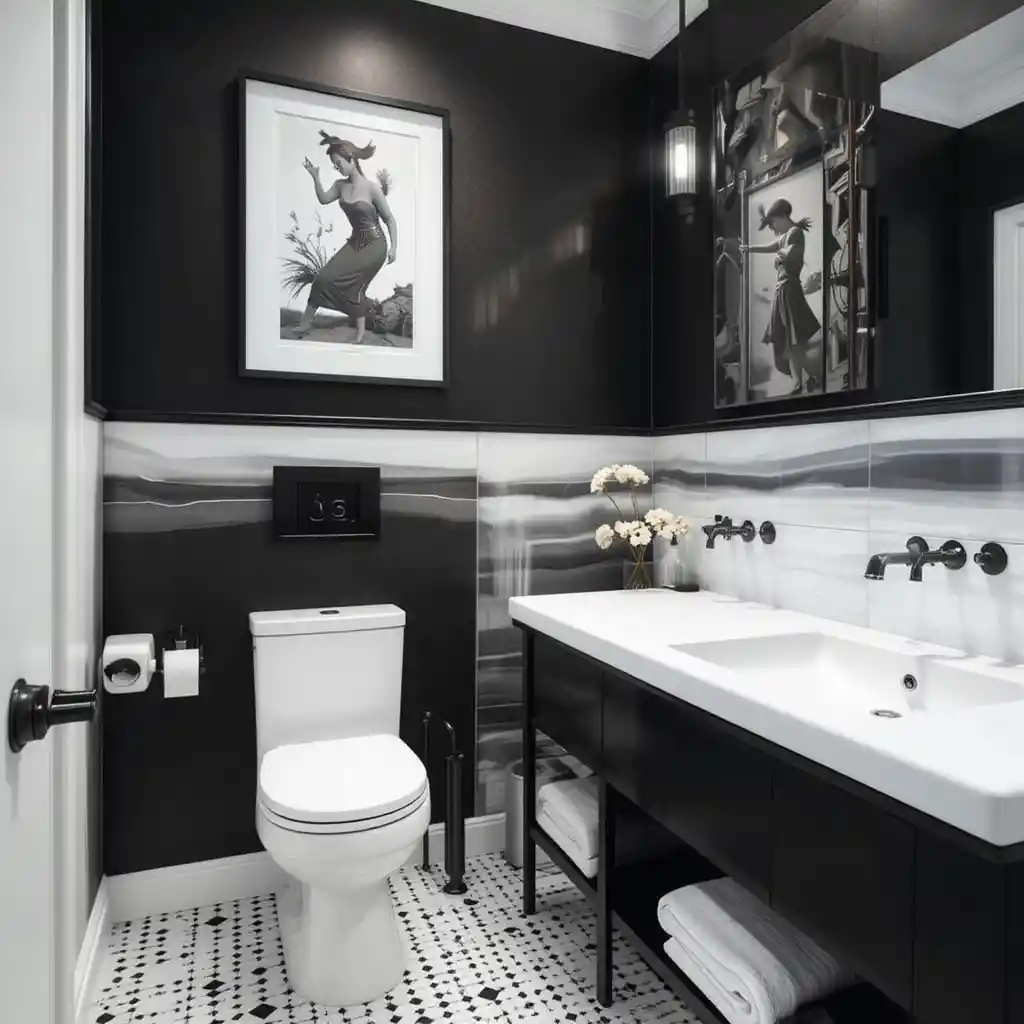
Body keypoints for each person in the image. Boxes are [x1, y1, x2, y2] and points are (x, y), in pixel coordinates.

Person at [292, 131, 398, 343]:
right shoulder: (340, 186)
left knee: (355, 284)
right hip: (356, 242)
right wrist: (316, 177)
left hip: (375, 245)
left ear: (351, 159)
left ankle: (360, 332)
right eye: (335, 165)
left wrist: (394, 248)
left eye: (339, 163)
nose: (337, 167)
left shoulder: (372, 189)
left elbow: (390, 219)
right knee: (323, 278)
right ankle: (304, 324)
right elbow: (323, 199)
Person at [740, 197, 820, 395]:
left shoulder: (796, 233)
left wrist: (779, 256)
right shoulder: (786, 236)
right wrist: (749, 249)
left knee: (794, 340)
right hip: (782, 291)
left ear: (784, 216)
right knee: (787, 341)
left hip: (790, 290)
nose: (774, 227)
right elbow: (771, 247)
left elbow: (790, 253)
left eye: (774, 222)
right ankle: (804, 380)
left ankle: (804, 380)